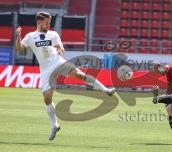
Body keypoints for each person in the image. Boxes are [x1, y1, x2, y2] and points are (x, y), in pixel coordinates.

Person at [15, 11, 115, 141]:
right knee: (47, 98)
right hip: (45, 70)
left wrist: (59, 48)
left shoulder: (53, 34)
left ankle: (106, 89)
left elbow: (62, 50)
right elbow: (19, 48)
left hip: (58, 62)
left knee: (80, 75)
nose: (49, 24)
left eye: (50, 22)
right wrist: (18, 36)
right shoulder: (30, 36)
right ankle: (54, 125)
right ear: (39, 22)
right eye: (47, 22)